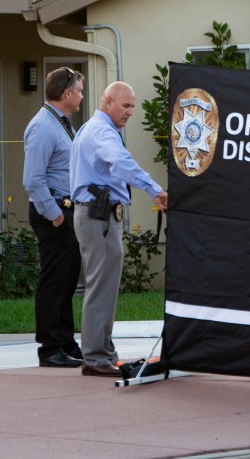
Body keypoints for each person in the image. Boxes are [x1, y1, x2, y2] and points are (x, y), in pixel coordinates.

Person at [70, 81, 168, 377]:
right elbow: (121, 164)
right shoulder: (101, 131)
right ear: (108, 102)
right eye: (125, 106)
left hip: (97, 216)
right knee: (101, 288)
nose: (130, 112)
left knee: (103, 286)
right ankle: (97, 358)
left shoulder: (95, 128)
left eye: (133, 106)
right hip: (98, 217)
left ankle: (103, 354)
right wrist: (155, 190)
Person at [22, 67, 85, 367]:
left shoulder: (60, 123)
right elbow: (33, 180)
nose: (82, 96)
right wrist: (57, 217)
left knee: (67, 280)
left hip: (66, 210)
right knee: (54, 281)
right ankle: (49, 349)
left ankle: (65, 342)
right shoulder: (43, 127)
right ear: (66, 93)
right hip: (54, 213)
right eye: (80, 90)